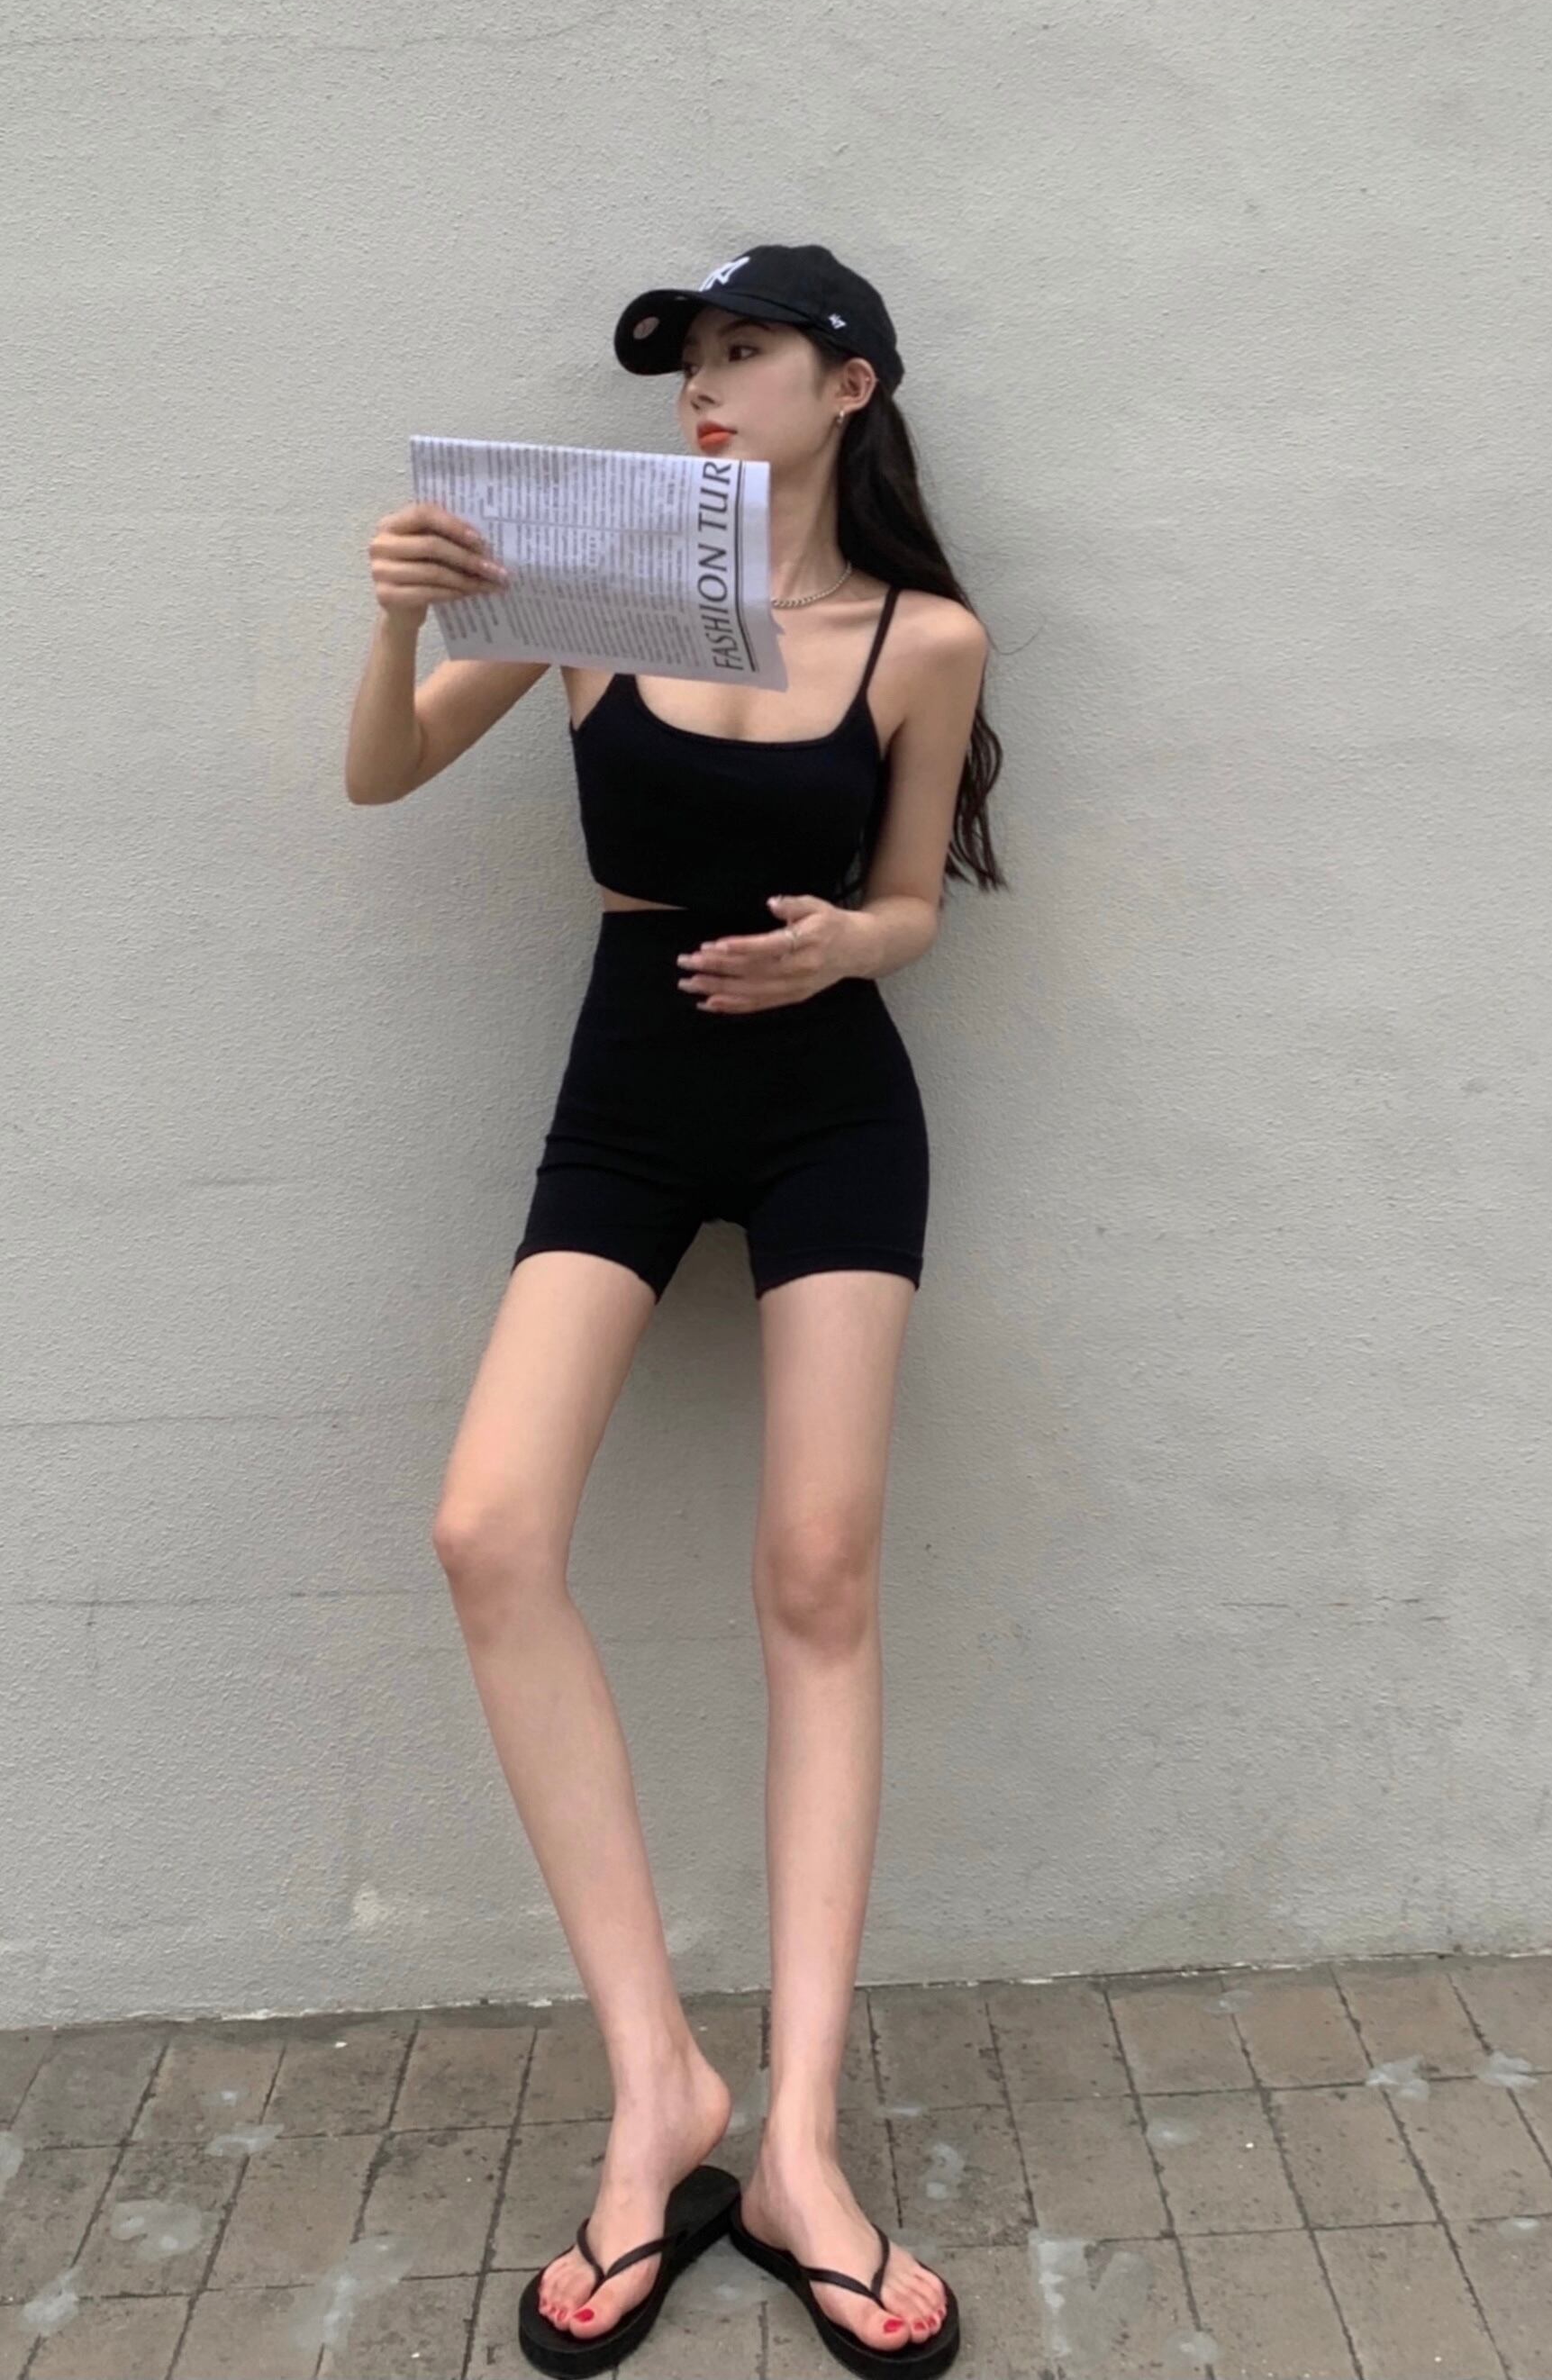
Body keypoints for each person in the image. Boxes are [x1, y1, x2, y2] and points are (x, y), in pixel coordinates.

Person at [343, 244, 1003, 2376]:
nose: (704, 387)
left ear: (849, 384)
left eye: (743, 351)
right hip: (626, 1091)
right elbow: (380, 774)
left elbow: (912, 899)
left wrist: (852, 949)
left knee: (818, 1574)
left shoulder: (922, 638)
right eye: (685, 362)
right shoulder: (598, 589)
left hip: (831, 1109)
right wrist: (400, 615)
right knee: (486, 1530)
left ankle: (797, 2144)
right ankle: (662, 2088)